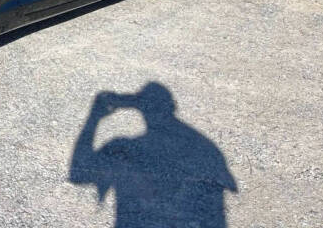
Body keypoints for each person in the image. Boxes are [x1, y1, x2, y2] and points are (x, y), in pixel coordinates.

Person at [69, 82, 237, 228]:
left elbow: (78, 174)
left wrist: (94, 117)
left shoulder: (124, 148)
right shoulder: (206, 149)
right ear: (171, 106)